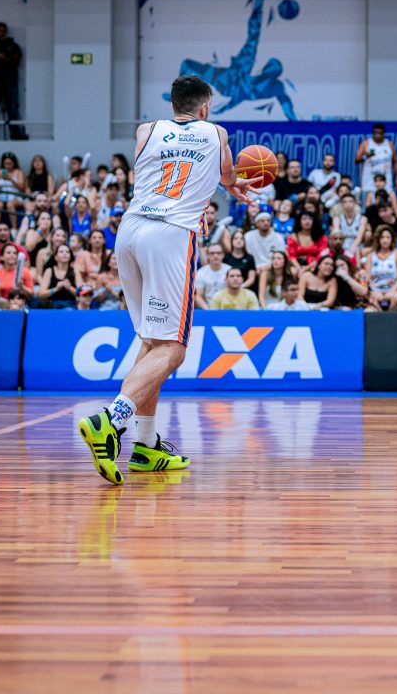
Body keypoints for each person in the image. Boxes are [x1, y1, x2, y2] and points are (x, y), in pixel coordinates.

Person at [76, 76, 258, 486]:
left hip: (130, 231)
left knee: (152, 341)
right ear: (205, 108)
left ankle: (145, 445)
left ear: (173, 104)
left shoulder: (146, 130)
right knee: (173, 349)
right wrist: (233, 184)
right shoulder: (217, 133)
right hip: (171, 235)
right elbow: (227, 175)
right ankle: (111, 420)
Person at [0, 22, 26, 140]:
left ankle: (15, 135)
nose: (0, 32)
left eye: (2, 30)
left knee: (12, 109)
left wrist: (5, 58)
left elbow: (16, 62)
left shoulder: (13, 46)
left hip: (10, 81)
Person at [365, 224, 397, 310]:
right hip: (375, 288)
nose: (385, 240)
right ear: (378, 239)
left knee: (395, 298)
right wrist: (374, 290)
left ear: (392, 239)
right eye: (382, 237)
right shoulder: (371, 256)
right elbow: (368, 277)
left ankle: (390, 317)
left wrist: (393, 290)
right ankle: (379, 314)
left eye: (388, 237)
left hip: (393, 288)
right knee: (372, 299)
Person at [356, 123, 397, 196]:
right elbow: (356, 160)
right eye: (375, 133)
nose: (377, 135)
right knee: (368, 199)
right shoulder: (366, 144)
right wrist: (366, 156)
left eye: (379, 133)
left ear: (383, 133)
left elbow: (396, 162)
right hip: (369, 179)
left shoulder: (389, 144)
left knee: (386, 199)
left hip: (386, 179)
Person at [194, 243, 229, 309]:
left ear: (223, 255)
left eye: (218, 253)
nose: (215, 256)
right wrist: (209, 311)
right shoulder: (201, 273)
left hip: (227, 308)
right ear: (207, 255)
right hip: (207, 307)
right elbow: (198, 296)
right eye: (212, 253)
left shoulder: (230, 270)